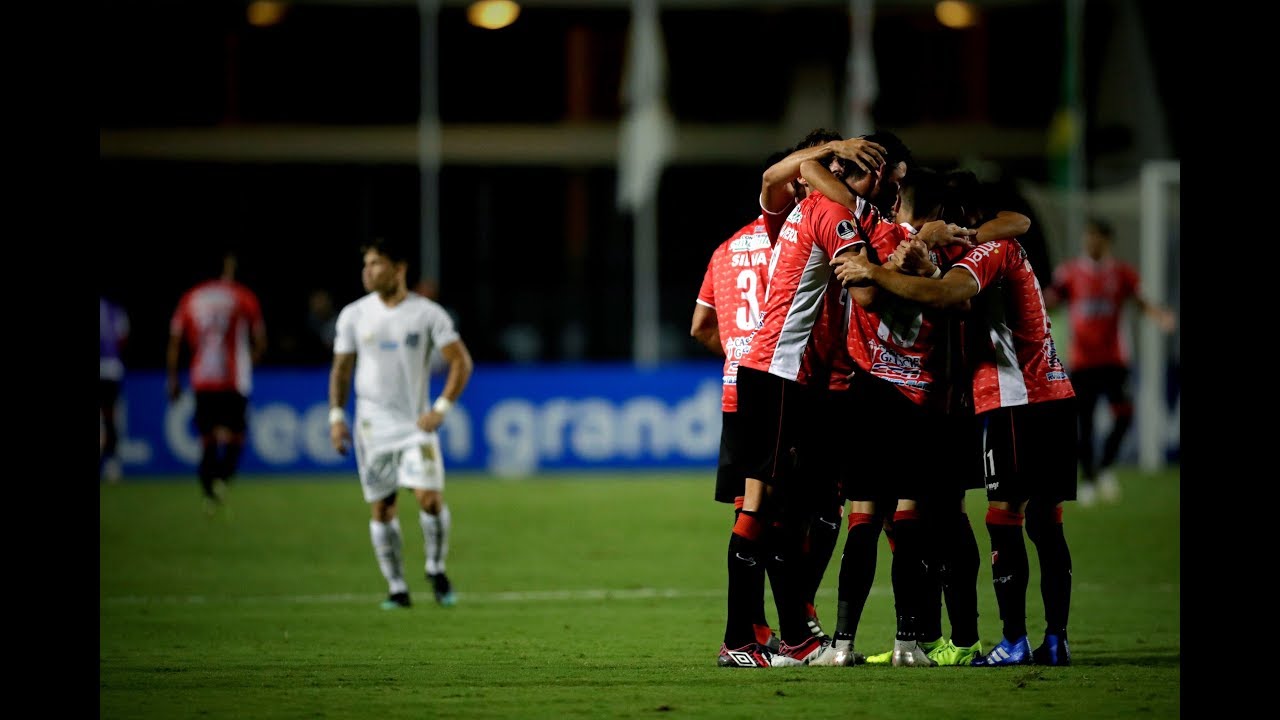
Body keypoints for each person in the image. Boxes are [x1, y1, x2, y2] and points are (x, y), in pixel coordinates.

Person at [833, 199, 1079, 667]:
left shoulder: (982, 253)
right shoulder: (989, 243)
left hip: (1010, 399)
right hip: (1047, 393)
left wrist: (876, 271)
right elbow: (1017, 220)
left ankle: (1001, 640)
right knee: (1041, 523)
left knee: (992, 519)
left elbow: (952, 296)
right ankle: (1049, 638)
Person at [727, 130, 911, 667]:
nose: (891, 193)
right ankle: (752, 638)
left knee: (792, 508)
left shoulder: (813, 209)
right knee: (772, 510)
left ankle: (791, 636)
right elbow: (868, 293)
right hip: (782, 372)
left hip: (787, 375)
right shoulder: (831, 215)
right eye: (884, 180)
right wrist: (904, 267)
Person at [328, 237, 474, 610]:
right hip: (372, 430)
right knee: (382, 509)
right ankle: (397, 588)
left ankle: (436, 568)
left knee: (429, 499)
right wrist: (336, 416)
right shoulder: (354, 315)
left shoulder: (427, 314)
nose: (368, 271)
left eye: (376, 263)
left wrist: (441, 408)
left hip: (415, 427)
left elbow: (461, 362)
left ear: (399, 268)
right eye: (367, 264)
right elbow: (342, 370)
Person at [1046, 217, 1176, 506]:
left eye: (1097, 237)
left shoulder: (1121, 273)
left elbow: (1141, 301)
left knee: (1124, 415)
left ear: (1107, 241)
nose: (1091, 242)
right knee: (1086, 422)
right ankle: (1089, 479)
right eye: (1088, 236)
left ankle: (1104, 466)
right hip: (1082, 361)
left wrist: (1160, 315)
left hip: (1115, 359)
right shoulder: (1068, 273)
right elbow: (1052, 298)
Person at [167, 250, 267, 513]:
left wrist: (173, 379)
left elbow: (175, 343)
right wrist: (250, 362)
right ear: (227, 269)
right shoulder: (242, 296)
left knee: (207, 438)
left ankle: (208, 491)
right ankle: (222, 478)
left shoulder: (191, 298)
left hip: (202, 379)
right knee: (237, 436)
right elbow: (260, 339)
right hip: (234, 380)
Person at [100, 295, 130, 483]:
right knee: (110, 418)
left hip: (108, 369)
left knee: (108, 418)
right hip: (112, 369)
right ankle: (112, 465)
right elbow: (122, 339)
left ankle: (111, 463)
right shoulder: (116, 310)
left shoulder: (116, 310)